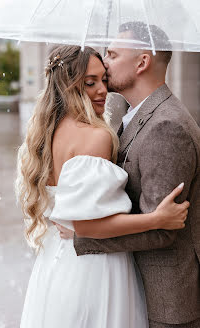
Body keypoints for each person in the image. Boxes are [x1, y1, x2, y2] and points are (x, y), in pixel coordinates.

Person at [16, 45, 188, 328]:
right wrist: (157, 219)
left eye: (104, 81)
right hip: (94, 268)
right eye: (89, 83)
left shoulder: (46, 134)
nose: (102, 91)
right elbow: (89, 227)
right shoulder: (96, 137)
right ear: (69, 87)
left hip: (55, 266)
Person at [69, 22, 200, 328]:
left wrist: (83, 234)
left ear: (142, 62)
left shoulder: (167, 126)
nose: (104, 63)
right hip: (141, 291)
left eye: (112, 55)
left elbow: (163, 228)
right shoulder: (136, 116)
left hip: (168, 304)